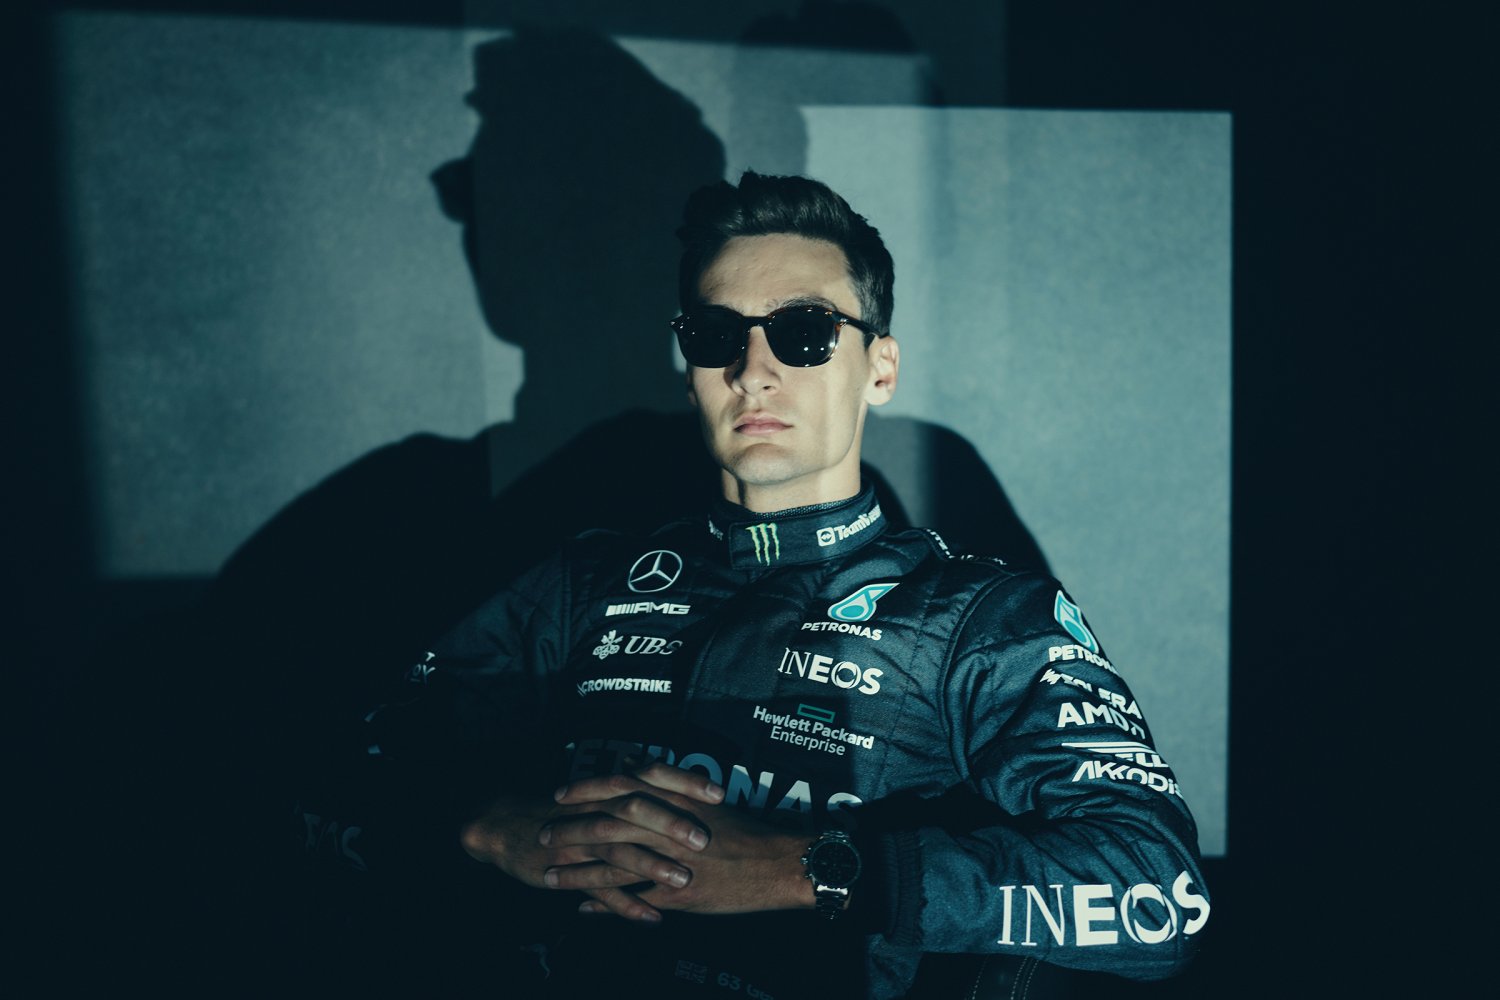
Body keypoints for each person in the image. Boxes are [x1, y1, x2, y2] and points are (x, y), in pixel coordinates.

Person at [320, 172, 1210, 998]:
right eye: (717, 336)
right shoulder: (578, 583)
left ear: (881, 368)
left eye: (804, 331)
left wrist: (814, 869)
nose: (753, 369)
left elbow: (1161, 897)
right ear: (690, 370)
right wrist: (478, 824)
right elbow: (326, 781)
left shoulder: (983, 623)